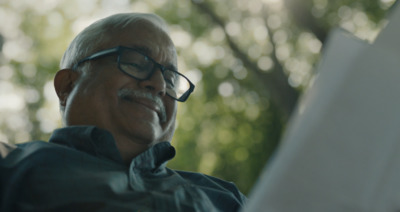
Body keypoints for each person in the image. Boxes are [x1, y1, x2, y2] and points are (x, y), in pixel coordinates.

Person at [0, 13, 246, 211]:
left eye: (170, 79)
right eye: (136, 63)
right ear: (68, 86)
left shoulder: (227, 198)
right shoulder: (13, 170)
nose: (159, 85)